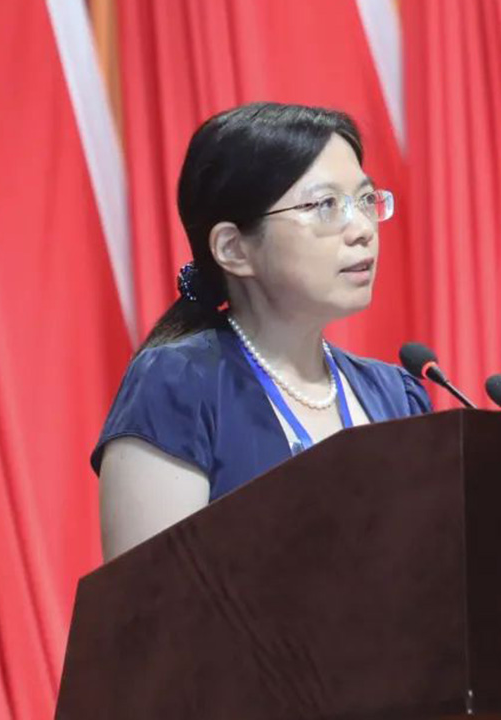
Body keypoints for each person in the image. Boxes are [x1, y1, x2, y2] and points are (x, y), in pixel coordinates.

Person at [91, 102, 431, 561]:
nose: (362, 229)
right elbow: (149, 599)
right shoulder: (178, 388)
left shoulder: (396, 395)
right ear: (233, 248)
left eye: (366, 200)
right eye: (326, 205)